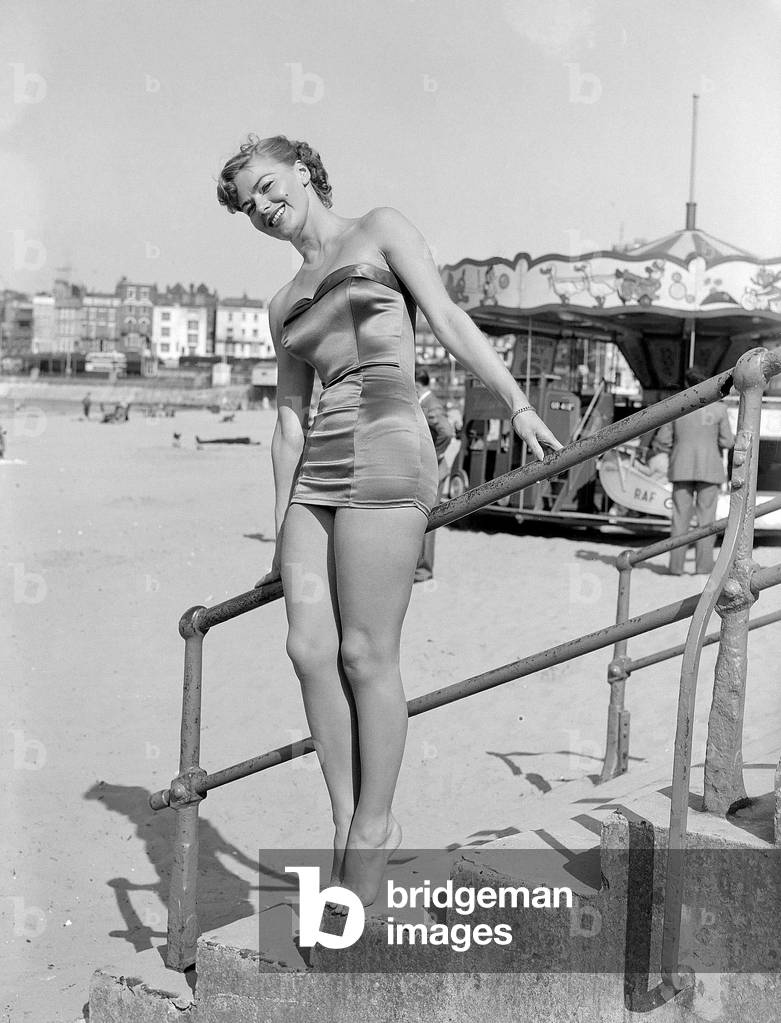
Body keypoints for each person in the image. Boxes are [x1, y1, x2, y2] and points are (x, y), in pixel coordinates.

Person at [216, 134, 562, 906]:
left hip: (385, 442)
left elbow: (445, 316)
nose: (264, 209)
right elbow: (288, 421)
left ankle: (374, 827)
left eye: (270, 188)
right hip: (317, 472)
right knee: (308, 648)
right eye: (249, 206)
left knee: (366, 652)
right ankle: (345, 817)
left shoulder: (380, 227)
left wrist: (516, 402)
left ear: (302, 173)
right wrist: (281, 526)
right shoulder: (282, 303)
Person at [652, 367, 734, 575]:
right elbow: (728, 441)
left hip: (681, 467)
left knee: (680, 518)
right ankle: (704, 566)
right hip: (710, 468)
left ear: (687, 386)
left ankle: (676, 567)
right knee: (707, 521)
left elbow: (662, 441)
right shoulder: (719, 409)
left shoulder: (677, 408)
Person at [413, 367, 453, 583]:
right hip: (430, 471)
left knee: (429, 520)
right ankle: (419, 568)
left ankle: (424, 570)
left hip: (435, 470)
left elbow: (447, 431)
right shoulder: (427, 403)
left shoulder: (430, 404)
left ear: (418, 385)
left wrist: (434, 455)